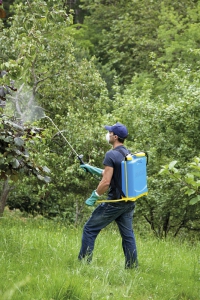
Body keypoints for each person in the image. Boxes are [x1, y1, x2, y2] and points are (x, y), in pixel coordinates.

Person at [78, 122, 138, 269]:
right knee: (128, 235)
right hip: (128, 202)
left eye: (110, 132)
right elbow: (114, 175)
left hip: (115, 202)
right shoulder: (127, 153)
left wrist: (95, 195)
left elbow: (106, 182)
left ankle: (84, 264)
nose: (108, 134)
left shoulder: (111, 155)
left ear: (115, 136)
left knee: (89, 229)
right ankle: (132, 267)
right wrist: (92, 169)